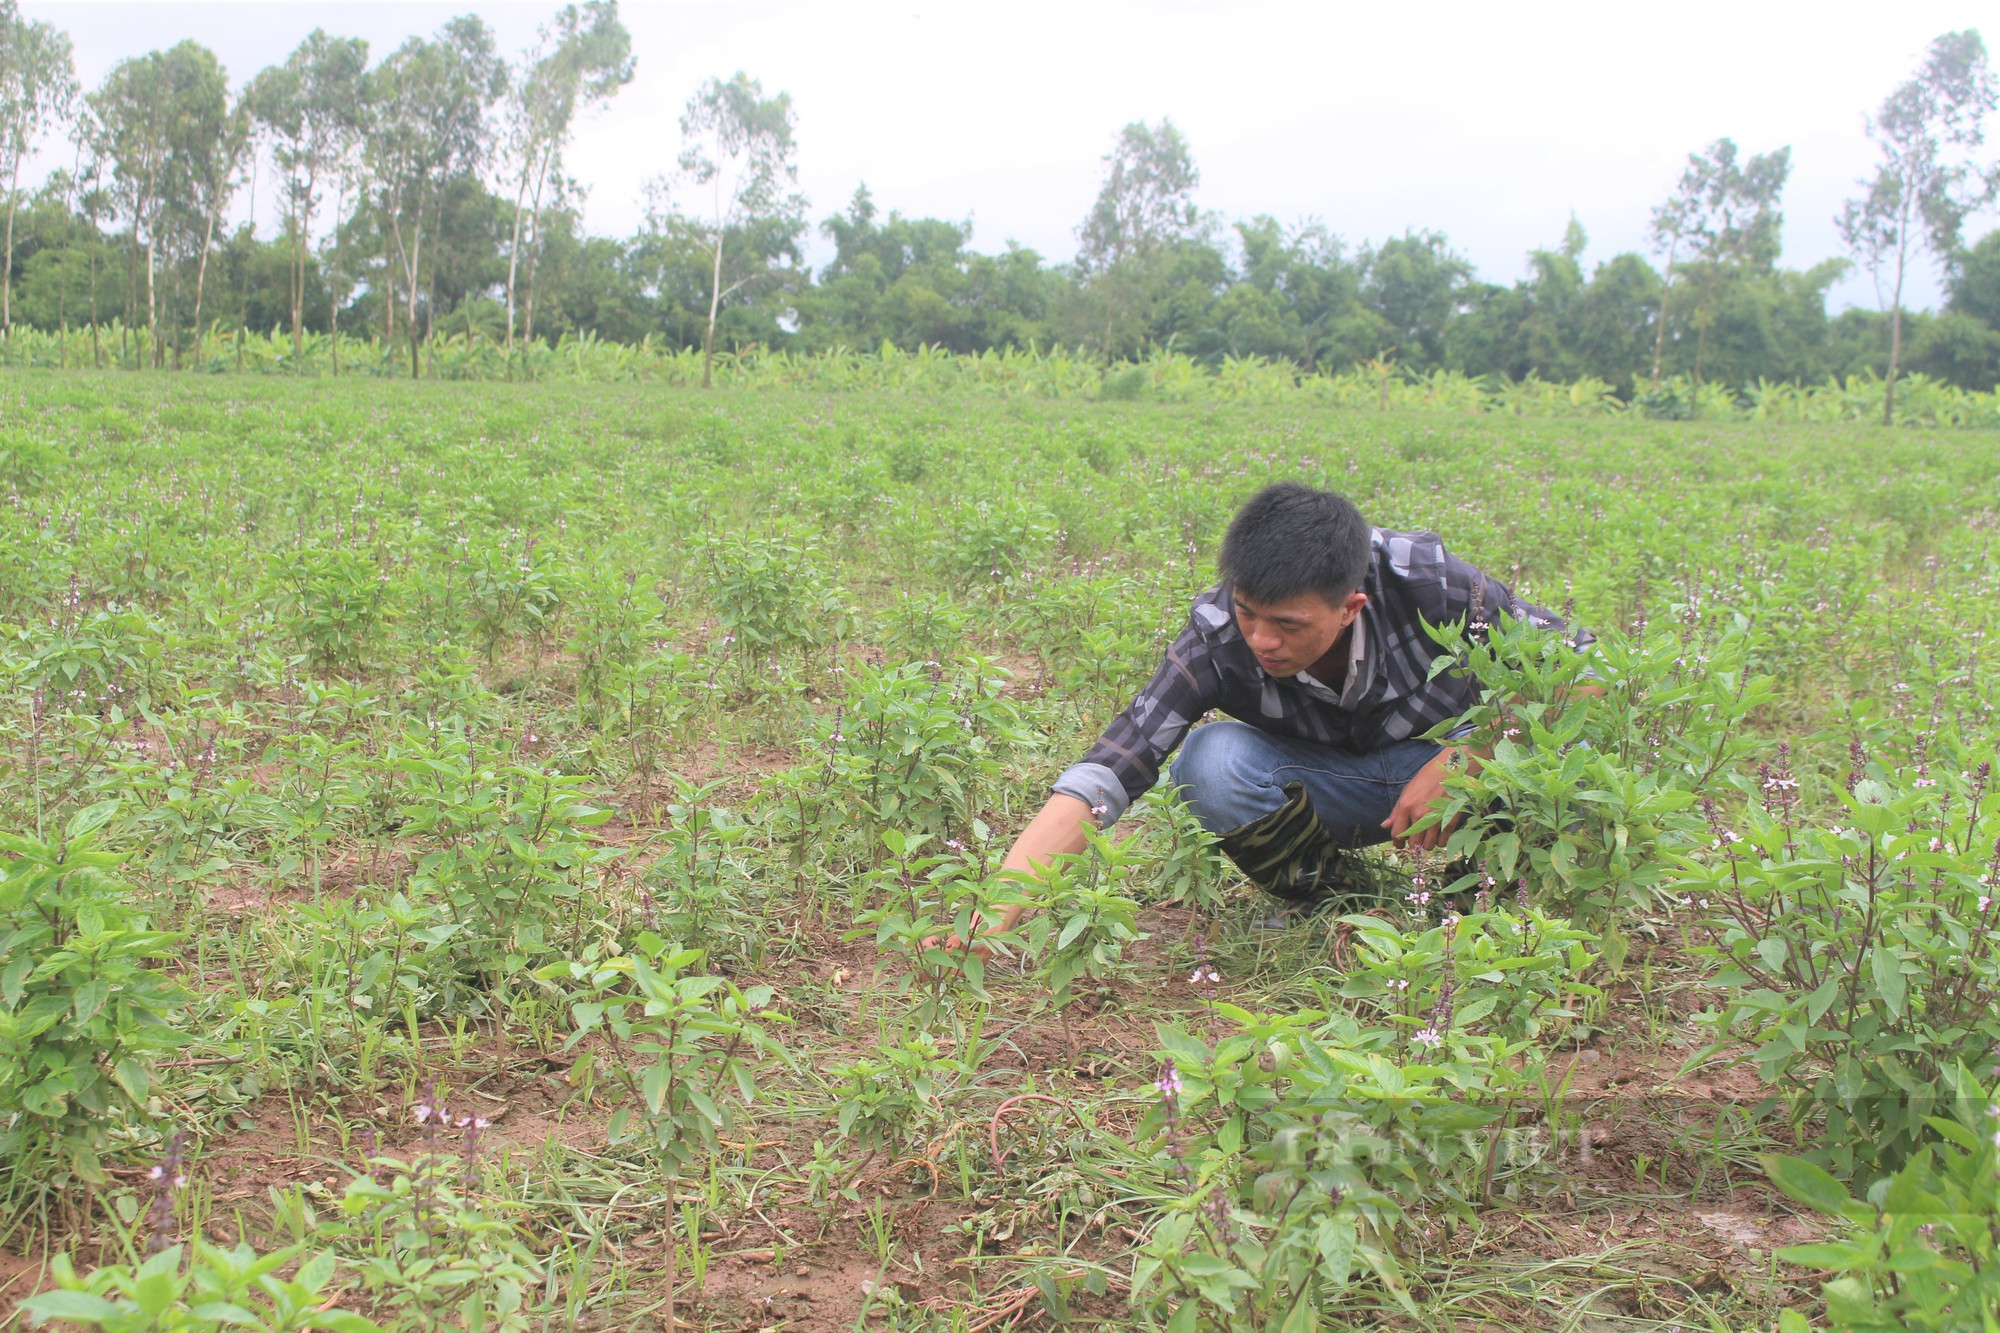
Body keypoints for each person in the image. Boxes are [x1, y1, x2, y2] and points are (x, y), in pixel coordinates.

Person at [936, 481, 1594, 955]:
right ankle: (1346, 902)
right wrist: (994, 912)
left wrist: (1471, 757)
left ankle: (1478, 901)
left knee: (1554, 756)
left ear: (1351, 606)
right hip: (1337, 785)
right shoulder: (1220, 636)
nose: (1261, 640)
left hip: (1450, 774)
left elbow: (1587, 672)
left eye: (1288, 624)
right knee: (1209, 763)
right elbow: (1113, 767)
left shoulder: (1432, 584)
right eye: (1249, 612)